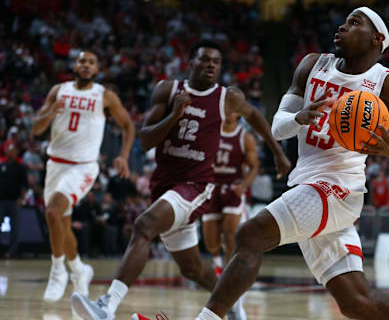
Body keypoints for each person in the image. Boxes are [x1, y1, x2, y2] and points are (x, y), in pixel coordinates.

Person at [190, 7, 389, 320]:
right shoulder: (313, 64)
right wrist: (299, 118)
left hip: (339, 189)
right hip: (307, 184)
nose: (341, 26)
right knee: (358, 303)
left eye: (354, 23)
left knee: (250, 235)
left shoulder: (388, 85)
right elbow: (278, 127)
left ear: (376, 39)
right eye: (343, 20)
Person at [71, 40, 291, 320]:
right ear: (190, 62)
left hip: (196, 186)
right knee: (192, 269)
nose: (211, 65)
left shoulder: (227, 97)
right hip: (164, 185)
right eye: (204, 59)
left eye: (216, 61)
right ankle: (232, 303)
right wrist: (175, 114)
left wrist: (278, 152)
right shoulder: (168, 90)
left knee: (144, 224)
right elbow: (146, 139)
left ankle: (106, 305)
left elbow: (256, 116)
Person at [32, 51, 135, 302]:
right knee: (61, 226)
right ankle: (79, 271)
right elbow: (36, 129)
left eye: (91, 62)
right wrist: (49, 114)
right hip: (55, 164)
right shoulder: (59, 91)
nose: (86, 65)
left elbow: (128, 126)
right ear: (74, 65)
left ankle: (58, 273)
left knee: (53, 212)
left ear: (97, 69)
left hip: (83, 167)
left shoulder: (104, 95)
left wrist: (123, 155)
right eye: (82, 61)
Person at [201, 114, 259, 318]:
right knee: (210, 242)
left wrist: (244, 185)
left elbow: (254, 167)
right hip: (211, 187)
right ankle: (219, 268)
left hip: (232, 188)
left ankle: (228, 281)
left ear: (238, 114)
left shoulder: (244, 137)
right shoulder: (210, 131)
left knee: (230, 235)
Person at [0, 142, 28, 258]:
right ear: (6, 151)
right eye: (9, 150)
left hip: (15, 201)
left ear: (16, 152)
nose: (11, 152)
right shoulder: (1, 165)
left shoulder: (20, 167)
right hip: (1, 201)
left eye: (13, 150)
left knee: (15, 228)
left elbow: (25, 185)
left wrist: (22, 199)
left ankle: (12, 252)